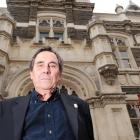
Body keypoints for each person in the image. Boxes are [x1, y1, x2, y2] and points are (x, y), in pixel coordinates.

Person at [0, 46, 94, 140]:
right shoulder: (5, 109)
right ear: (31, 74)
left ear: (59, 75)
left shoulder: (81, 107)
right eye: (40, 65)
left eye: (52, 65)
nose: (46, 70)